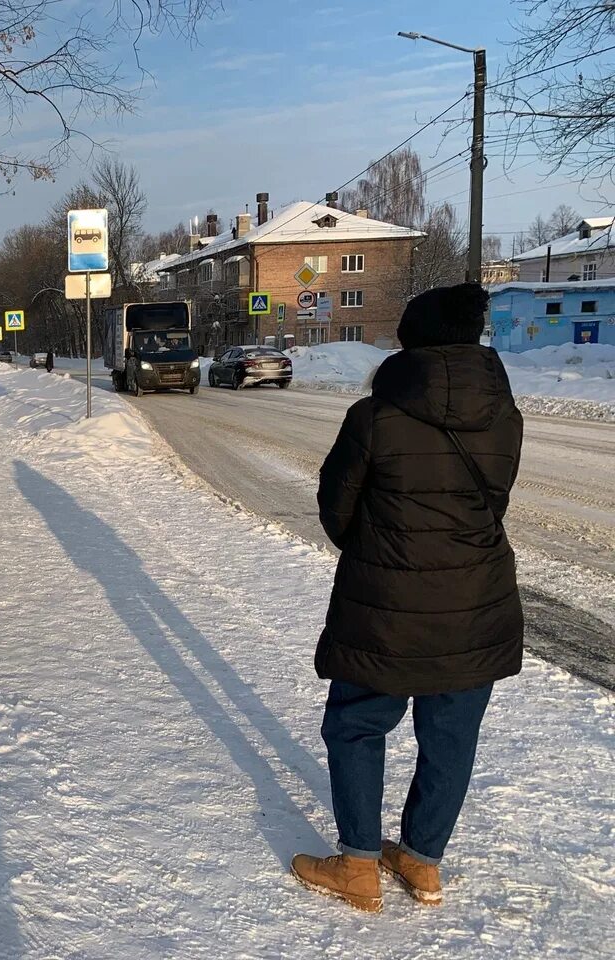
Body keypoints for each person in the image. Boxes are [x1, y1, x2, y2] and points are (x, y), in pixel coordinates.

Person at [291, 283, 524, 913]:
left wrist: (378, 551)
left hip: (385, 606)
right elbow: (491, 505)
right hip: (477, 604)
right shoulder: (505, 416)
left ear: (410, 342)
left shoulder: (374, 418)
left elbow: (336, 511)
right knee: (450, 736)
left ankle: (358, 866)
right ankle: (423, 863)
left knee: (358, 724)